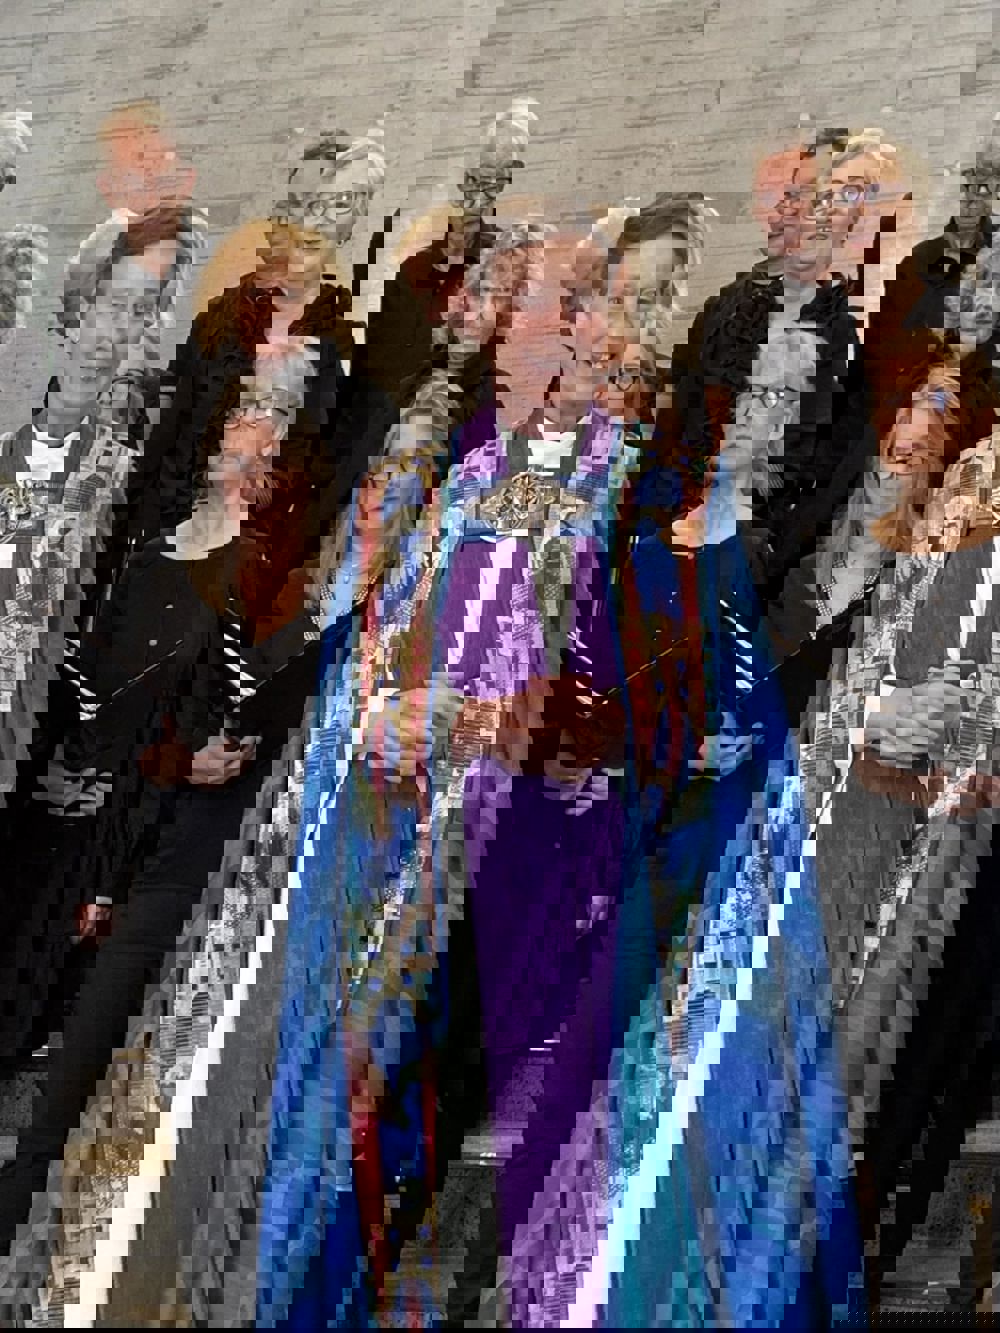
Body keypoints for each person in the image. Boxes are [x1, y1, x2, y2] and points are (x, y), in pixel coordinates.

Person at [801, 338, 1000, 1305]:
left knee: (870, 1067)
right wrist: (875, 716)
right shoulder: (944, 502)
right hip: (850, 824)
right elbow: (847, 659)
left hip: (931, 864)